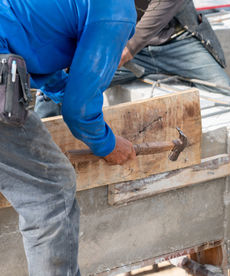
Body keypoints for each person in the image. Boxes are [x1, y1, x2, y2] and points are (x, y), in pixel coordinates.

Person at [0, 0, 137, 275]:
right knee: (51, 190)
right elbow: (79, 111)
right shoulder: (118, 9)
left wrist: (64, 92)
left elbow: (37, 52)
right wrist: (107, 144)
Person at [35, 0, 230, 119]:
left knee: (225, 94)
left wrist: (128, 49)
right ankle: (38, 150)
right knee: (61, 84)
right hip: (121, 39)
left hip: (176, 40)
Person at [116, 0, 230, 94]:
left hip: (179, 40)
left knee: (226, 92)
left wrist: (129, 49)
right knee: (97, 81)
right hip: (129, 46)